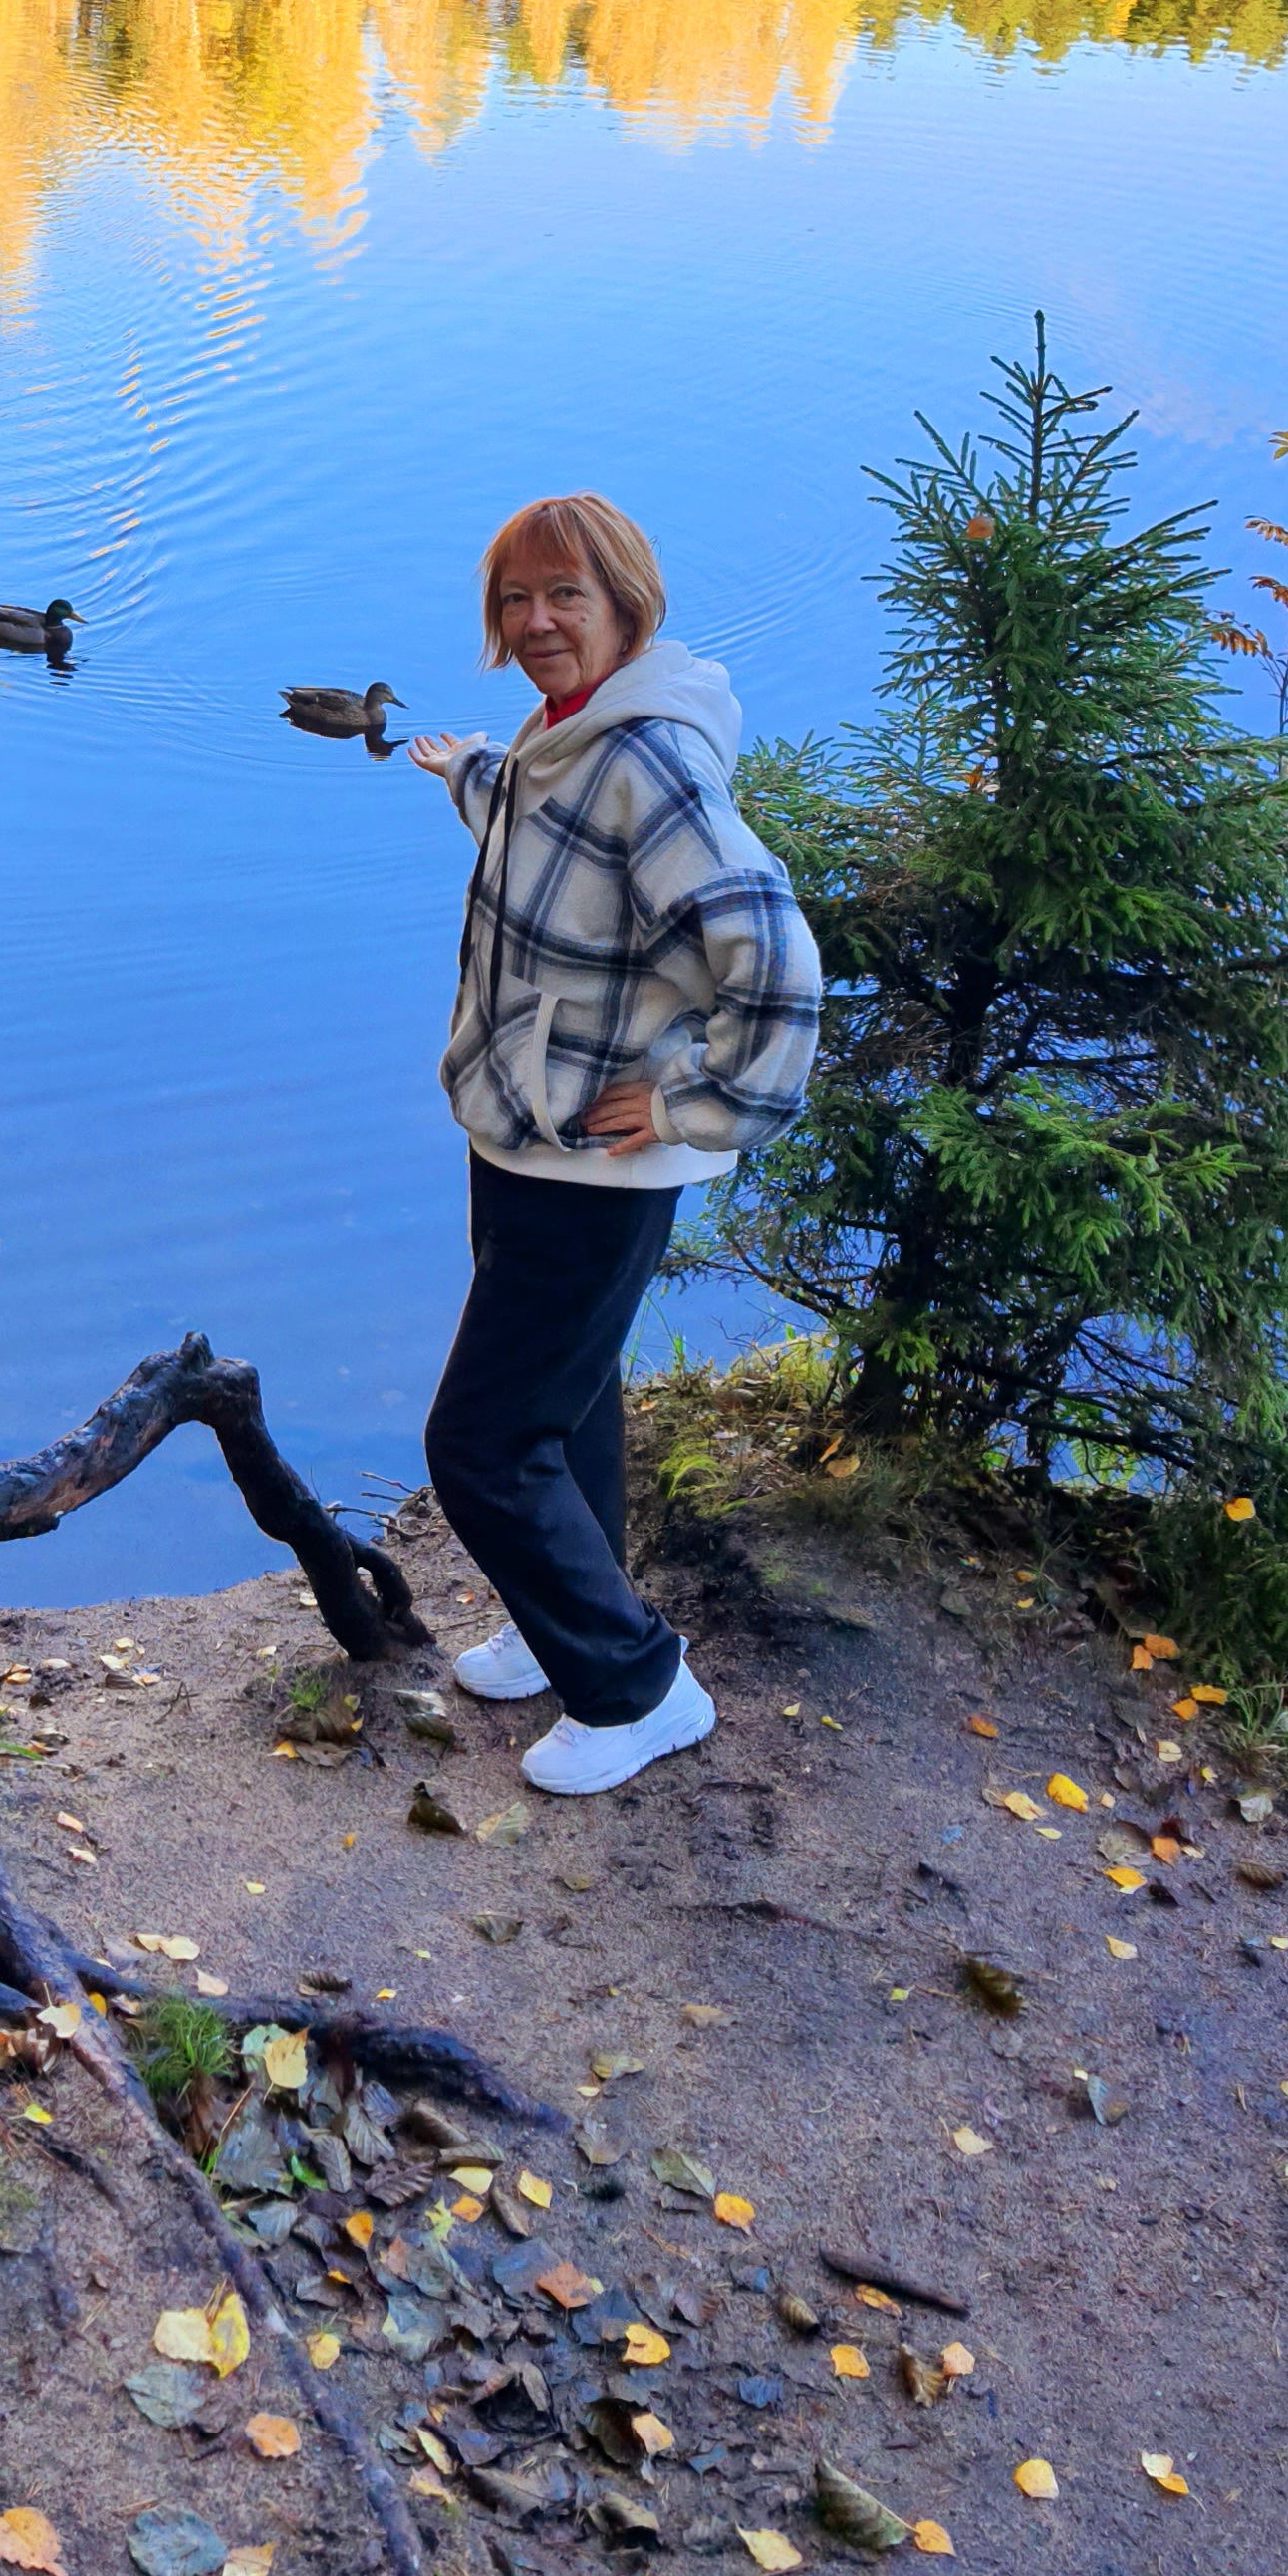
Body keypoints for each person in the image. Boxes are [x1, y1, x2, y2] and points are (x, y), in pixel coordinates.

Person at [406, 495, 820, 1794]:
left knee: (479, 1442)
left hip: (599, 1161)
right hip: (529, 1135)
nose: (536, 622)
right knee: (565, 1400)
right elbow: (554, 835)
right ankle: (562, 1620)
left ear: (627, 603)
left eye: (564, 597)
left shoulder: (649, 758)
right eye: (517, 599)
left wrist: (702, 1101)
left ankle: (639, 1686)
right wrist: (468, 773)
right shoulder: (564, 735)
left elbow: (777, 957)